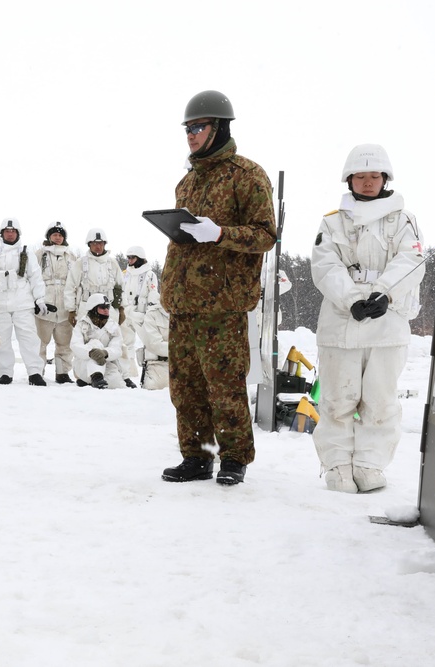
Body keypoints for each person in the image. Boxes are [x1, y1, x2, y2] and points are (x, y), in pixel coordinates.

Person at [160, 90, 277, 486]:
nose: (191, 135)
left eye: (198, 127)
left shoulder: (247, 175)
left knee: (225, 386)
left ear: (219, 127)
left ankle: (233, 459)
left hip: (222, 304)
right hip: (184, 303)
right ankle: (197, 457)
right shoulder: (187, 181)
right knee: (186, 389)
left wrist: (220, 233)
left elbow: (265, 236)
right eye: (188, 129)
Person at [310, 143, 425, 493]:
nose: (368, 182)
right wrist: (351, 299)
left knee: (380, 400)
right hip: (341, 325)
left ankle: (370, 464)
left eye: (374, 175)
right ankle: (338, 467)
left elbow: (412, 260)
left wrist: (384, 293)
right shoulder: (332, 222)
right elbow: (325, 265)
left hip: (388, 323)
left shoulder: (404, 221)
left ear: (385, 178)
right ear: (349, 180)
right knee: (336, 399)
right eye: (360, 176)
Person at [0, 218, 48, 386]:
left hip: (22, 303)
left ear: (18, 233)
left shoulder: (26, 253)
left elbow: (36, 277)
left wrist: (40, 299)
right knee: (3, 340)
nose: (10, 233)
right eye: (7, 231)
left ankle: (35, 372)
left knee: (29, 339)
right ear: (2, 234)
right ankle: (5, 373)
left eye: (13, 231)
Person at [35, 222, 76, 384]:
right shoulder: (40, 254)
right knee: (40, 341)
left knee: (64, 342)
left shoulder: (71, 256)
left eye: (60, 235)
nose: (57, 238)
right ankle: (37, 370)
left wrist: (73, 305)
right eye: (54, 235)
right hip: (45, 303)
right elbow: (32, 278)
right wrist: (36, 300)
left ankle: (62, 372)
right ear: (49, 237)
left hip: (65, 306)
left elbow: (75, 281)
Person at [64, 228, 124, 328]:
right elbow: (70, 287)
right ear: (89, 244)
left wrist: (122, 308)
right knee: (85, 339)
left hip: (108, 309)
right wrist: (71, 310)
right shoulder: (80, 263)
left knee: (111, 339)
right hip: (86, 309)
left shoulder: (112, 263)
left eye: (100, 243)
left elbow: (121, 287)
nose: (98, 246)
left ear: (104, 244)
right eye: (94, 243)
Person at [121, 245, 159, 382]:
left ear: (140, 258)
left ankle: (152, 372)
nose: (130, 260)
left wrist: (151, 313)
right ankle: (129, 373)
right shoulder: (125, 273)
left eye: (132, 257)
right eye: (128, 257)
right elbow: (121, 290)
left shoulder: (149, 274)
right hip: (127, 312)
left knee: (149, 343)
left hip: (142, 314)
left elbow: (153, 294)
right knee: (126, 343)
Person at [70, 293, 125, 389]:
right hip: (84, 365)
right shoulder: (82, 325)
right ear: (93, 308)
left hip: (106, 363)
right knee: (96, 344)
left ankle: (94, 380)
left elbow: (117, 349)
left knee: (117, 385)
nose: (106, 310)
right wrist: (90, 352)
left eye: (107, 307)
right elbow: (75, 345)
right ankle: (96, 377)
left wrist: (105, 353)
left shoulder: (113, 326)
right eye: (102, 307)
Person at [136, 292, 170, 391]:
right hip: (157, 366)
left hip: (182, 365)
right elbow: (155, 345)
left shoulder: (185, 316)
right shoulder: (152, 315)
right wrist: (179, 350)